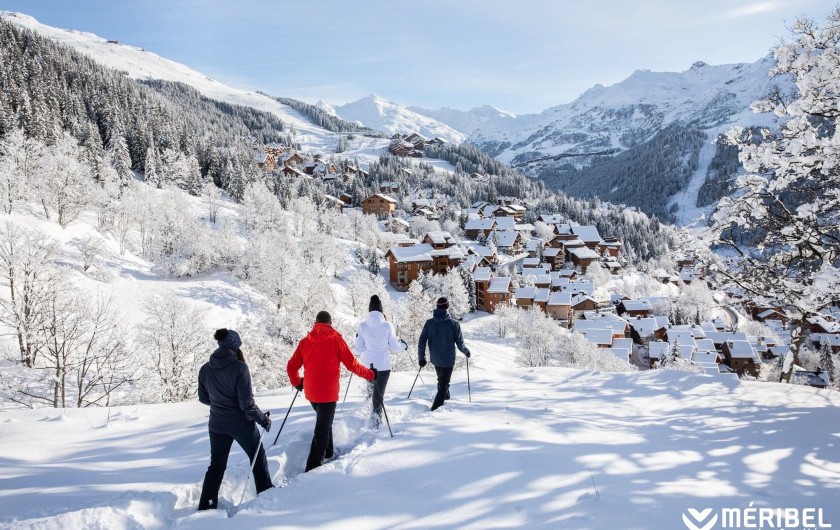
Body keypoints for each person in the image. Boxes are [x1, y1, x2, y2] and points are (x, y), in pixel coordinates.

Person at [287, 311, 375, 471]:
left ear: (316, 323)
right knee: (322, 428)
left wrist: (297, 382)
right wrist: (370, 374)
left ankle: (328, 452)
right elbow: (352, 365)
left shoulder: (305, 342)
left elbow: (291, 366)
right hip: (328, 393)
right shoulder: (336, 340)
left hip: (311, 393)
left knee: (324, 423)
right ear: (330, 324)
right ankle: (312, 467)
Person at [197, 328, 273, 511]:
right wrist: (263, 420)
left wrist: (220, 404)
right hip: (241, 424)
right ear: (236, 346)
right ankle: (266, 492)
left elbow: (203, 398)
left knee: (216, 465)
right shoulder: (240, 368)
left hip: (216, 424)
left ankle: (207, 505)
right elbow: (247, 405)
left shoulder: (205, 368)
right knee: (257, 456)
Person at [355, 295, 406, 427]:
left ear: (369, 309)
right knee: (378, 395)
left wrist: (358, 339)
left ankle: (367, 416)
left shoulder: (362, 326)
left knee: (372, 392)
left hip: (367, 367)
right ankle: (376, 424)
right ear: (381, 310)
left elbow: (357, 350)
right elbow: (394, 348)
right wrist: (403, 345)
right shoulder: (387, 325)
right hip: (383, 366)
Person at [418, 297, 471, 411]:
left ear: (437, 307)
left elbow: (422, 341)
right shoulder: (454, 324)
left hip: (435, 358)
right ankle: (435, 408)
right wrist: (466, 351)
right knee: (444, 383)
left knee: (442, 380)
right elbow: (460, 343)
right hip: (448, 359)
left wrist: (421, 357)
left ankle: (446, 398)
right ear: (447, 307)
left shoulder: (429, 323)